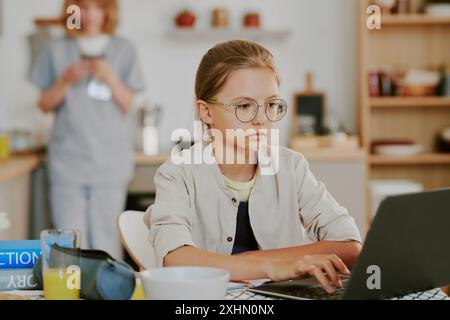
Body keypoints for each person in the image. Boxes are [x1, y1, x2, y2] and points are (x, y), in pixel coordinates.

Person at [147, 40, 361, 294]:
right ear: (206, 112)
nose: (261, 120)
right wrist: (271, 265)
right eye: (244, 106)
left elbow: (350, 246)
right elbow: (176, 259)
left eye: (271, 105)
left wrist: (278, 262)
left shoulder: (291, 167)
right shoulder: (178, 173)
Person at [31, 0, 144, 259]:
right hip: (68, 161)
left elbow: (128, 103)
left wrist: (111, 78)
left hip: (110, 161)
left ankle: (105, 291)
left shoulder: (124, 50)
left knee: (106, 237)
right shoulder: (56, 50)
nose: (91, 14)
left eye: (99, 7)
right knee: (69, 241)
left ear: (108, 11)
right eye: (83, 6)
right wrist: (65, 80)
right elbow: (45, 104)